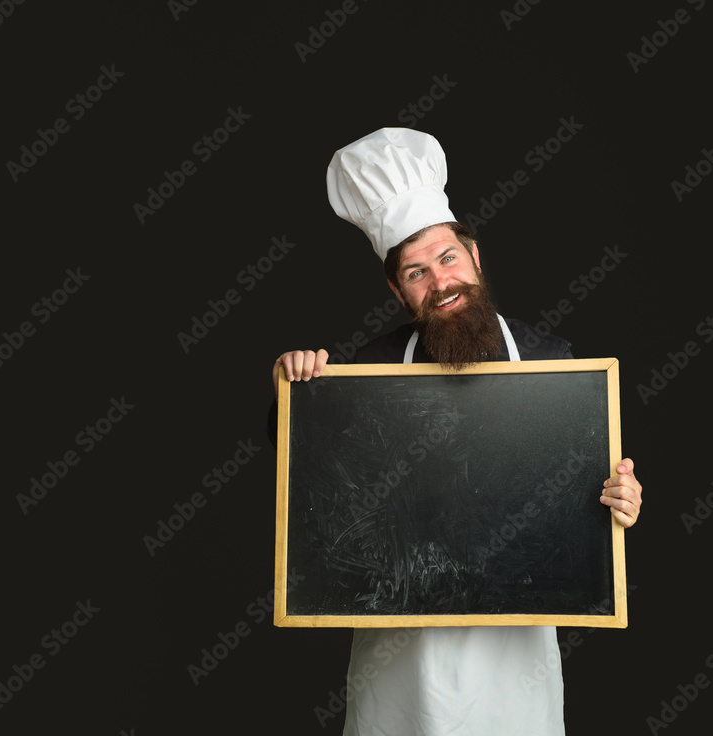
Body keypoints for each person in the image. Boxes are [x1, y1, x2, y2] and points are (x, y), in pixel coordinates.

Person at [269, 128, 643, 735]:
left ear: (473, 255)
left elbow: (588, 504)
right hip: (399, 656)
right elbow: (307, 473)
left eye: (447, 259)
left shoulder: (554, 363)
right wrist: (295, 386)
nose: (440, 283)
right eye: (415, 272)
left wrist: (619, 503)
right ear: (396, 290)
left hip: (516, 658)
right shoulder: (367, 372)